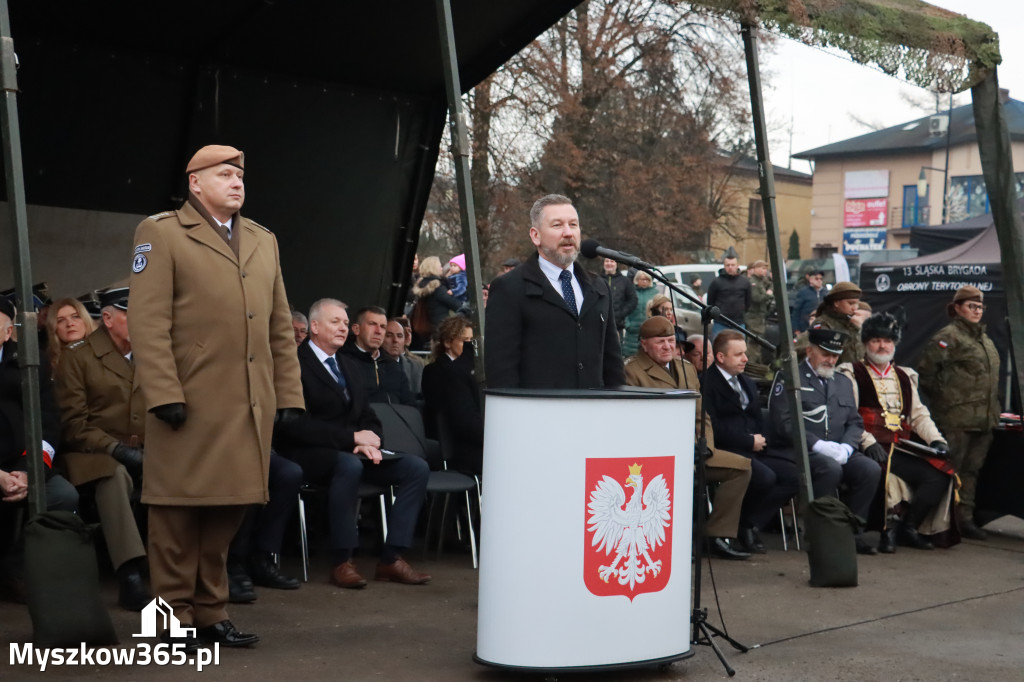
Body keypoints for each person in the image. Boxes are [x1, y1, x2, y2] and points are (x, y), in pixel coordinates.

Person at [128, 145, 304, 650]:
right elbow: (147, 321)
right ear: (195, 183)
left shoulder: (261, 240)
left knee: (227, 513)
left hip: (246, 406)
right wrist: (163, 392)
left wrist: (288, 394)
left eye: (240, 175)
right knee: (177, 516)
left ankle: (210, 612)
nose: (237, 182)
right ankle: (172, 621)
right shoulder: (161, 233)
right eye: (225, 174)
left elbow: (278, 322)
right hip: (188, 403)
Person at [275, 299, 431, 588]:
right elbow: (295, 425)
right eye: (335, 322)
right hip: (309, 455)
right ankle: (342, 560)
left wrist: (370, 441)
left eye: (346, 323)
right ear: (315, 327)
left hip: (353, 453)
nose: (343, 327)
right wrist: (350, 439)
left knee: (415, 468)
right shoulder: (294, 364)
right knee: (348, 466)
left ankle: (391, 558)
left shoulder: (347, 363)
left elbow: (368, 415)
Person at [53, 286, 151, 611]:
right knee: (116, 476)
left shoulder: (150, 352)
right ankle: (130, 574)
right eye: (130, 312)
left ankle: (196, 568)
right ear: (107, 318)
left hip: (146, 448)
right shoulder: (78, 356)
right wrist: (116, 449)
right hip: (91, 454)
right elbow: (73, 424)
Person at [624, 316, 753, 560]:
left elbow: (700, 413)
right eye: (660, 341)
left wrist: (704, 444)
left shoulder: (686, 368)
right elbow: (640, 422)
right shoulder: (631, 371)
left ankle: (714, 535)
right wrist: (678, 448)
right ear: (644, 344)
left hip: (693, 449)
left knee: (741, 468)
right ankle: (671, 541)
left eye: (671, 341)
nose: (667, 347)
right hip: (656, 455)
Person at [838, 313, 955, 552]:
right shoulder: (851, 373)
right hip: (867, 445)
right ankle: (885, 531)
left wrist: (936, 440)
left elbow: (919, 415)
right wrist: (866, 442)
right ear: (865, 343)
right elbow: (848, 416)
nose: (882, 345)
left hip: (899, 446)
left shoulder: (904, 375)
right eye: (876, 340)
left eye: (888, 341)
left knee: (940, 475)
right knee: (883, 474)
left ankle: (907, 527)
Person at [485, 194, 624, 389]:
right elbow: (501, 370)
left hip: (593, 412)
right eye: (557, 225)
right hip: (539, 412)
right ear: (536, 235)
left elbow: (612, 363)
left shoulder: (598, 287)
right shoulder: (509, 288)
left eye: (573, 225)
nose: (568, 233)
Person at [768, 329, 882, 555]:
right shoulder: (790, 377)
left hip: (839, 447)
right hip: (801, 449)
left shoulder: (842, 381)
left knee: (870, 469)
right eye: (825, 354)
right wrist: (816, 445)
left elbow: (855, 422)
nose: (831, 360)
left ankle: (852, 532)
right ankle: (820, 533)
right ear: (810, 351)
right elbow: (783, 422)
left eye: (835, 355)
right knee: (829, 469)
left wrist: (848, 447)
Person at [702, 330, 801, 554]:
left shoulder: (746, 381)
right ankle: (741, 528)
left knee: (794, 475)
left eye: (745, 353)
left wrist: (758, 440)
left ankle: (747, 522)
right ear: (720, 357)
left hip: (755, 447)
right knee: (765, 477)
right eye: (738, 355)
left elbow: (756, 417)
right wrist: (748, 441)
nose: (746, 359)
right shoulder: (707, 383)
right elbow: (711, 426)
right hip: (727, 448)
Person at [916, 285, 1000, 540]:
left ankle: (964, 520)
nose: (976, 311)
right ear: (957, 308)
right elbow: (927, 374)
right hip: (955, 418)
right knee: (949, 470)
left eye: (980, 307)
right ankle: (940, 522)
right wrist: (947, 400)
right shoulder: (948, 337)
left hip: (983, 418)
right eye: (971, 306)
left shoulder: (984, 339)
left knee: (971, 471)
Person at [422, 316, 483, 477]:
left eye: (472, 341)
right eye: (465, 341)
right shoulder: (435, 371)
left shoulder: (474, 372)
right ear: (448, 342)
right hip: (452, 439)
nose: (470, 347)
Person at [341, 306, 416, 406]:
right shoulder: (341, 361)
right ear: (356, 329)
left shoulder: (393, 365)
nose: (378, 331)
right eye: (372, 324)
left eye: (383, 327)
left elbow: (409, 403)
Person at [798, 281, 864, 364]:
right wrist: (854, 329)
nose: (855, 308)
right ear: (836, 303)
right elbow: (828, 350)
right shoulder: (823, 323)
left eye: (857, 304)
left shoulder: (853, 321)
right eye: (851, 303)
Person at [410, 256, 464, 350]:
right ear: (434, 268)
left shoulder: (420, 284)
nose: (442, 268)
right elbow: (455, 304)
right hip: (438, 327)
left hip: (422, 326)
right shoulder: (437, 287)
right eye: (440, 266)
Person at [46, 297, 98, 370]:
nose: (70, 324)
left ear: (86, 320)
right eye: (61, 320)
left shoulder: (108, 350)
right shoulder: (48, 364)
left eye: (75, 317)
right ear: (54, 329)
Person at [706, 253, 750, 338]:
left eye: (733, 265)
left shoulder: (745, 282)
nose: (730, 267)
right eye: (728, 265)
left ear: (737, 266)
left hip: (739, 323)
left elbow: (748, 302)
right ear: (724, 266)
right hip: (720, 322)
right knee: (718, 348)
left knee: (739, 349)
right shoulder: (716, 282)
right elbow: (710, 301)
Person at [620, 270, 657, 358]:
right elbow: (625, 309)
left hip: (649, 331)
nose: (644, 282)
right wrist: (628, 324)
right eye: (642, 279)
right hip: (632, 331)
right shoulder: (631, 292)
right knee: (631, 357)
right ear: (637, 280)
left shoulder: (655, 293)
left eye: (646, 280)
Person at [383, 317, 423, 398]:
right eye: (389, 335)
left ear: (405, 340)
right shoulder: (371, 364)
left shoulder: (416, 366)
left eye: (399, 336)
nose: (395, 340)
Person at [597, 257, 637, 338]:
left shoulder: (625, 281)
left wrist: (620, 314)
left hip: (617, 325)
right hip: (598, 324)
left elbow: (633, 300)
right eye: (607, 261)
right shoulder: (596, 280)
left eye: (612, 261)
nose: (609, 263)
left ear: (616, 264)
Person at [745, 260, 773, 364]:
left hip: (760, 316)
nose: (765, 271)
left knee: (758, 343)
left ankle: (756, 365)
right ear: (755, 269)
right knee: (754, 343)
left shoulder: (761, 281)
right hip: (754, 316)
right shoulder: (753, 282)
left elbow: (771, 285)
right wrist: (768, 295)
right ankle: (751, 365)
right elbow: (756, 298)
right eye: (762, 268)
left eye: (765, 269)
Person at [790, 265, 825, 333]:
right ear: (810, 280)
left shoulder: (825, 293)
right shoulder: (803, 292)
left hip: (822, 327)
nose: (819, 281)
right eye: (816, 279)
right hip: (805, 327)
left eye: (821, 279)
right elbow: (796, 312)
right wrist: (796, 329)